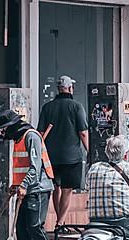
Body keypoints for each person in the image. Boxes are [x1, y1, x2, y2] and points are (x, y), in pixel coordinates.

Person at [0, 110, 54, 240]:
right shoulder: (19, 139)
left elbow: (35, 167)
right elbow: (22, 167)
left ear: (13, 127)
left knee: (35, 227)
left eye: (4, 130)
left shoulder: (31, 136)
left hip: (38, 189)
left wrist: (24, 185)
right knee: (22, 230)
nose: (3, 134)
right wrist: (16, 185)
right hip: (26, 189)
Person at [37, 75, 89, 226]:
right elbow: (83, 132)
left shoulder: (47, 107)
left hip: (50, 157)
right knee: (67, 190)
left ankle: (60, 221)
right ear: (70, 88)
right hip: (71, 157)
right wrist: (89, 150)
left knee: (55, 188)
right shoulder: (76, 106)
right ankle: (60, 223)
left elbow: (40, 133)